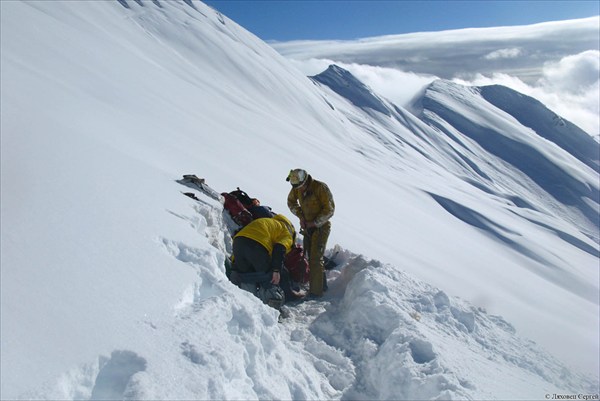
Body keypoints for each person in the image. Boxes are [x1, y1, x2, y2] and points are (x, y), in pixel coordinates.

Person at [286, 169, 335, 298]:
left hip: (321, 227)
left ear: (305, 180)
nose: (299, 190)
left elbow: (330, 210)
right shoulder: (297, 187)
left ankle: (316, 292)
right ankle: (321, 283)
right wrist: (301, 216)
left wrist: (315, 223)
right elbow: (291, 202)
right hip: (307, 227)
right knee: (310, 255)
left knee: (315, 258)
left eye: (301, 187)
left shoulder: (320, 188)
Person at [230, 214, 295, 308]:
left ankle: (247, 307)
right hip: (257, 245)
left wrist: (235, 265)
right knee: (269, 278)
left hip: (238, 242)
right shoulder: (287, 233)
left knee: (247, 277)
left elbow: (244, 242)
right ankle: (273, 311)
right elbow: (279, 248)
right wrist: (276, 270)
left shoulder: (268, 222)